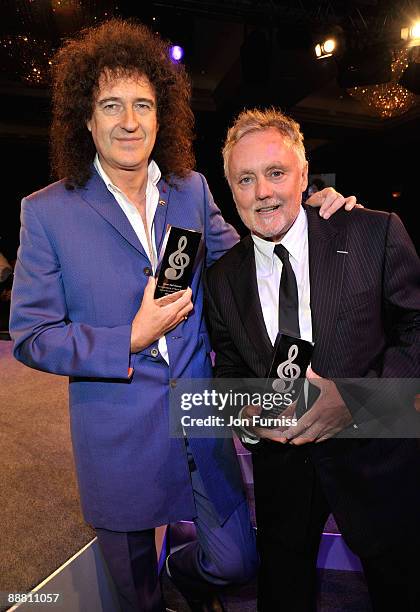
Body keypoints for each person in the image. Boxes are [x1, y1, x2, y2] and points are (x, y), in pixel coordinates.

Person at [9, 20, 358, 612]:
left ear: (160, 113)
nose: (129, 121)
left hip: (200, 410)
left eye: (143, 104)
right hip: (115, 428)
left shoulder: (190, 189)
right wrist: (129, 338)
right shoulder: (47, 213)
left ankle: (185, 576)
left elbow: (247, 258)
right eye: (111, 105)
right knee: (135, 595)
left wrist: (309, 213)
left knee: (235, 560)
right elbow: (31, 335)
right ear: (86, 119)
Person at [205, 107, 420, 612]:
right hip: (283, 474)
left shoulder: (374, 232)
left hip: (378, 464)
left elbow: (415, 329)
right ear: (230, 190)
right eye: (246, 179)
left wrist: (358, 403)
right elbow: (230, 370)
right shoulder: (221, 280)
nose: (263, 193)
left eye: (276, 173)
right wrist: (248, 416)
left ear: (304, 175)